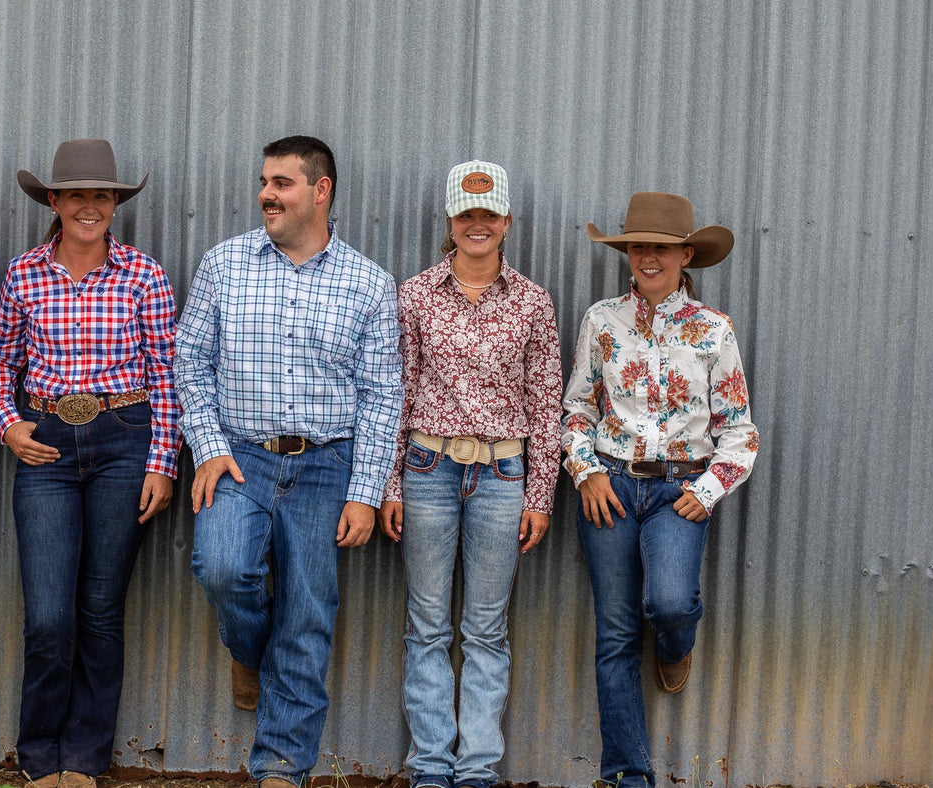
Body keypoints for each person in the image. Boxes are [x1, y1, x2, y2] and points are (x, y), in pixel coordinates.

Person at [174, 135, 403, 788]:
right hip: (240, 457)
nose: (266, 194)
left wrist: (363, 491)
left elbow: (383, 396)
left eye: (282, 183)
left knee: (307, 616)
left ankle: (282, 769)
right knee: (222, 567)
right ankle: (250, 651)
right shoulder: (224, 265)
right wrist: (210, 447)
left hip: (325, 466)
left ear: (320, 190)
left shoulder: (367, 284)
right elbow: (189, 361)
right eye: (264, 181)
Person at [0, 139, 180, 788]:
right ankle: (39, 757)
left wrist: (162, 463)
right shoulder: (24, 274)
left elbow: (165, 376)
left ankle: (84, 760)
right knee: (48, 616)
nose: (89, 207)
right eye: (76, 195)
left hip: (124, 439)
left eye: (102, 196)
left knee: (99, 608)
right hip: (46, 447)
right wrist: (8, 425)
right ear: (55, 202)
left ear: (115, 204)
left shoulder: (144, 275)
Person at [562, 192, 759, 788]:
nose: (649, 258)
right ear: (627, 254)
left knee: (670, 603)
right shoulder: (601, 321)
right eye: (639, 247)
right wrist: (586, 470)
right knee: (616, 632)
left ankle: (676, 647)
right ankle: (627, 774)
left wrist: (710, 489)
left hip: (679, 491)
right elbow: (575, 409)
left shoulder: (713, 330)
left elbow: (739, 431)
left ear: (686, 255)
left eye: (663, 248)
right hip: (611, 489)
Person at [377, 161, 562, 788]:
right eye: (465, 215)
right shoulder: (415, 294)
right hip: (427, 467)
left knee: (486, 627)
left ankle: (477, 766)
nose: (477, 225)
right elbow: (395, 390)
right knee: (427, 622)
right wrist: (391, 484)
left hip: (504, 474)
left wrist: (541, 494)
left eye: (488, 215)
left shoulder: (534, 302)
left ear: (507, 221)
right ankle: (430, 765)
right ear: (450, 222)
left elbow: (545, 401)